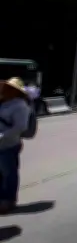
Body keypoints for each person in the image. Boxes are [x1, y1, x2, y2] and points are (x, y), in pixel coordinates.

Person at [0, 77, 33, 214]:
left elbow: (20, 126)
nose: (4, 89)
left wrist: (3, 136)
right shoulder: (3, 102)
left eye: (8, 88)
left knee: (9, 173)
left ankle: (9, 200)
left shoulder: (20, 105)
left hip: (8, 143)